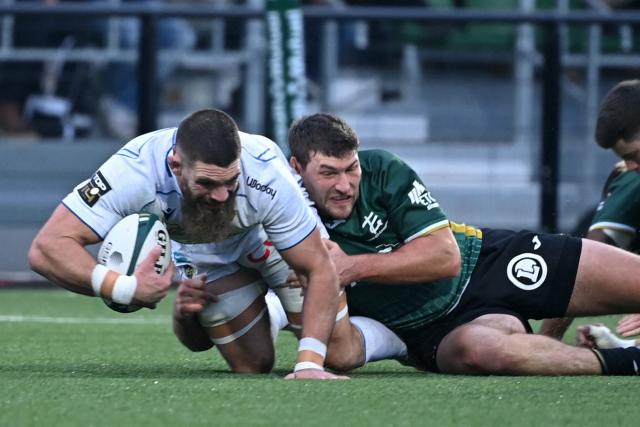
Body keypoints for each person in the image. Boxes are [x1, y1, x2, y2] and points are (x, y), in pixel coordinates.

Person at [288, 112, 640, 375]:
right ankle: (626, 360)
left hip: (487, 262)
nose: (346, 185)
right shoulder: (287, 220)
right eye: (329, 173)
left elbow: (444, 257)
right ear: (297, 168)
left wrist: (352, 266)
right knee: (482, 351)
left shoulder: (380, 168)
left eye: (351, 169)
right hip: (431, 331)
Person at [29, 108, 352, 380]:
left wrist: (310, 364)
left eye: (230, 182)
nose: (222, 195)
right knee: (252, 365)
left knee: (338, 354)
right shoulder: (133, 171)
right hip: (206, 255)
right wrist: (124, 287)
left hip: (270, 242)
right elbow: (47, 248)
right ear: (175, 166)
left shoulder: (265, 172)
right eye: (207, 183)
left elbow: (319, 267)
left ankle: (282, 308)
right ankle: (267, 308)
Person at [549, 79, 640, 349]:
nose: (630, 166)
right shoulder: (632, 179)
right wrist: (544, 344)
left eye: (634, 154)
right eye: (625, 158)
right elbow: (586, 262)